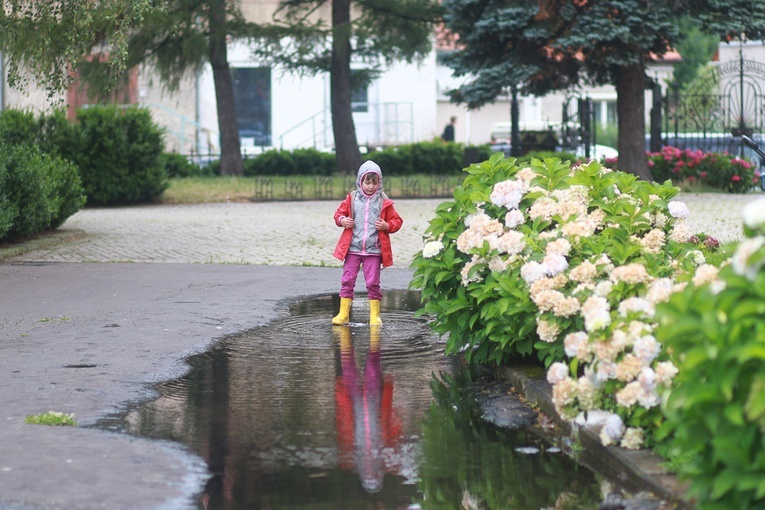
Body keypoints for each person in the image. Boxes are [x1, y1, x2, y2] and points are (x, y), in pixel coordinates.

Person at [332, 160, 403, 325]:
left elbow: (397, 221)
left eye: (374, 182)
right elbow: (337, 214)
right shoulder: (352, 198)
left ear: (380, 182)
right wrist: (343, 220)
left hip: (374, 250)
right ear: (360, 181)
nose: (370, 186)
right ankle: (343, 314)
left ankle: (375, 315)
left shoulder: (383, 202)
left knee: (372, 282)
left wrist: (386, 226)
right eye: (367, 182)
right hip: (353, 249)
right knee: (347, 280)